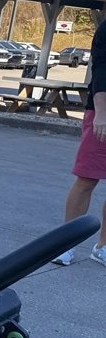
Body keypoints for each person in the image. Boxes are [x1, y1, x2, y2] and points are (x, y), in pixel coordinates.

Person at [53, 15, 106, 267]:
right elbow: (102, 70)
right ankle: (66, 245)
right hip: (102, 113)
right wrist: (102, 114)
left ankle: (102, 247)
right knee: (86, 179)